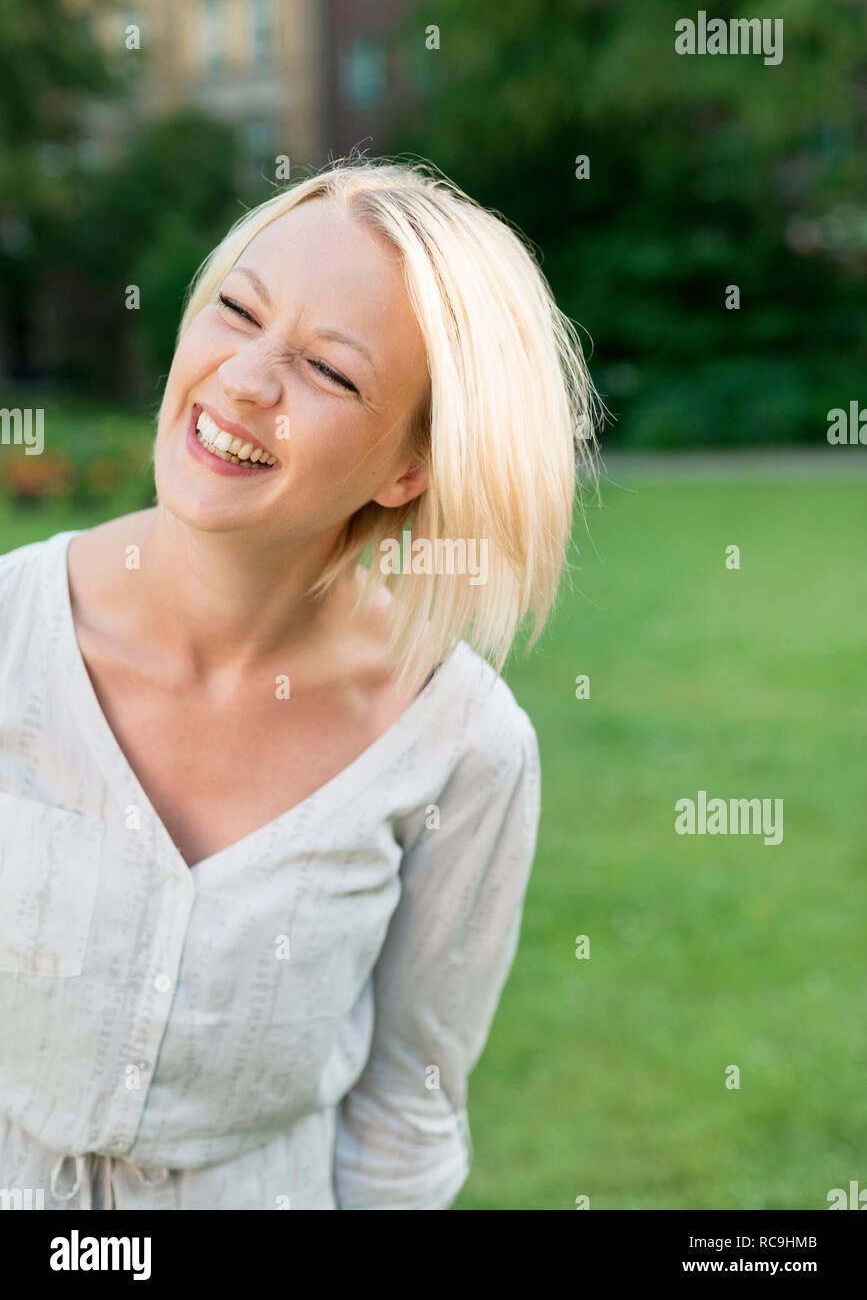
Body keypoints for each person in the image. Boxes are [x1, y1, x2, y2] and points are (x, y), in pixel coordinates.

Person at [0, 156, 596, 1209]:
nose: (243, 380)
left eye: (330, 370)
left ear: (409, 466)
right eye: (236, 309)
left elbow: (409, 1109)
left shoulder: (459, 748)